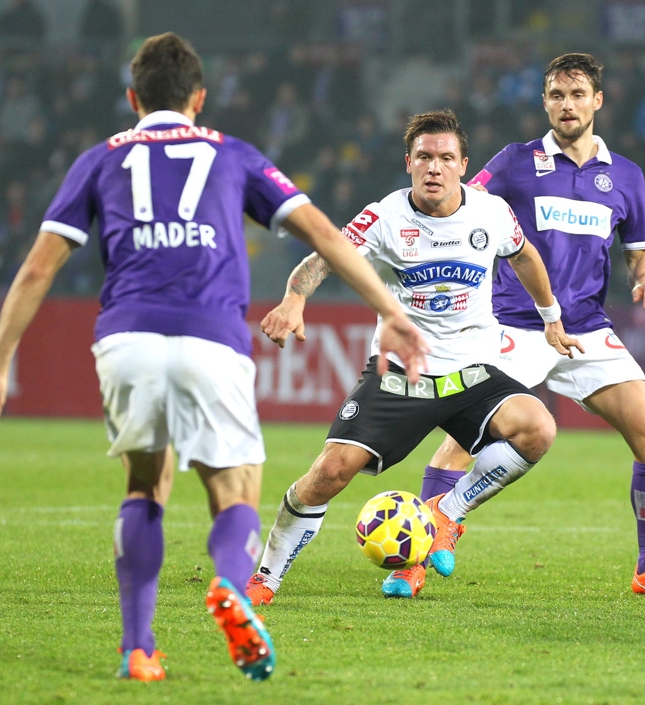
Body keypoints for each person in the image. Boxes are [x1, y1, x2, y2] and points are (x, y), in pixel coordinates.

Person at [0, 32, 428, 683]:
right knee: (236, 487)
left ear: (133, 98)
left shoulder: (99, 159)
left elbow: (39, 267)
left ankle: (138, 649)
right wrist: (394, 312)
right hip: (212, 337)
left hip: (126, 340)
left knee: (146, 484)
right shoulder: (231, 154)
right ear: (199, 99)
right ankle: (234, 585)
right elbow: (322, 231)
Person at [244, 109, 582, 605]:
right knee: (331, 472)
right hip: (403, 374)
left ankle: (447, 511)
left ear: (463, 165)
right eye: (424, 157)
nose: (434, 168)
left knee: (538, 427)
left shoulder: (490, 212)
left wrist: (551, 316)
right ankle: (265, 576)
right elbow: (326, 255)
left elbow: (525, 254)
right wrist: (295, 297)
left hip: (472, 372)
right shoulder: (385, 217)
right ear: (409, 163)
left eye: (446, 158)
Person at [419, 53, 645, 599]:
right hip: (517, 324)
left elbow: (641, 253)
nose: (566, 105)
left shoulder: (626, 177)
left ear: (597, 101)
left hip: (587, 329)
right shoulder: (515, 163)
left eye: (576, 94)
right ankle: (419, 557)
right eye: (555, 96)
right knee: (458, 442)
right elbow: (460, 204)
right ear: (545, 102)